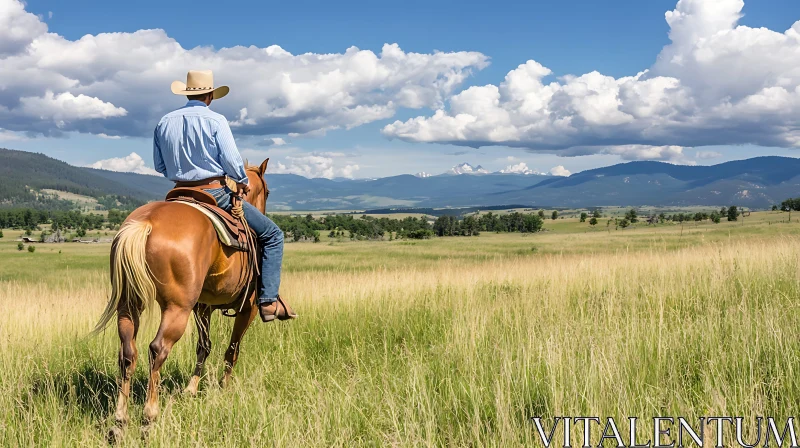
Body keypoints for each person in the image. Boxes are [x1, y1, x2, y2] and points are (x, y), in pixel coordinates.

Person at [153, 70, 295, 323]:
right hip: (214, 192)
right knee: (274, 235)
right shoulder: (215, 120)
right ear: (210, 95)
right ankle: (269, 301)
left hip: (177, 193)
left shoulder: (165, 121)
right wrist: (240, 181)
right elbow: (231, 160)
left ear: (187, 94)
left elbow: (160, 166)